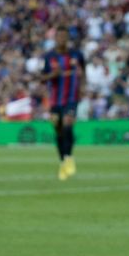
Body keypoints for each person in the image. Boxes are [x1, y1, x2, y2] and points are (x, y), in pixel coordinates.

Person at [40, 25, 85, 180]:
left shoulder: (76, 54)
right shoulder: (49, 56)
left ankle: (69, 157)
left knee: (68, 123)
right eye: (59, 37)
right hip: (55, 99)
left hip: (72, 97)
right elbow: (42, 78)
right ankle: (62, 162)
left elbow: (83, 72)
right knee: (57, 129)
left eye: (65, 36)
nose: (62, 39)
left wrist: (83, 87)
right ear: (55, 38)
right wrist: (54, 74)